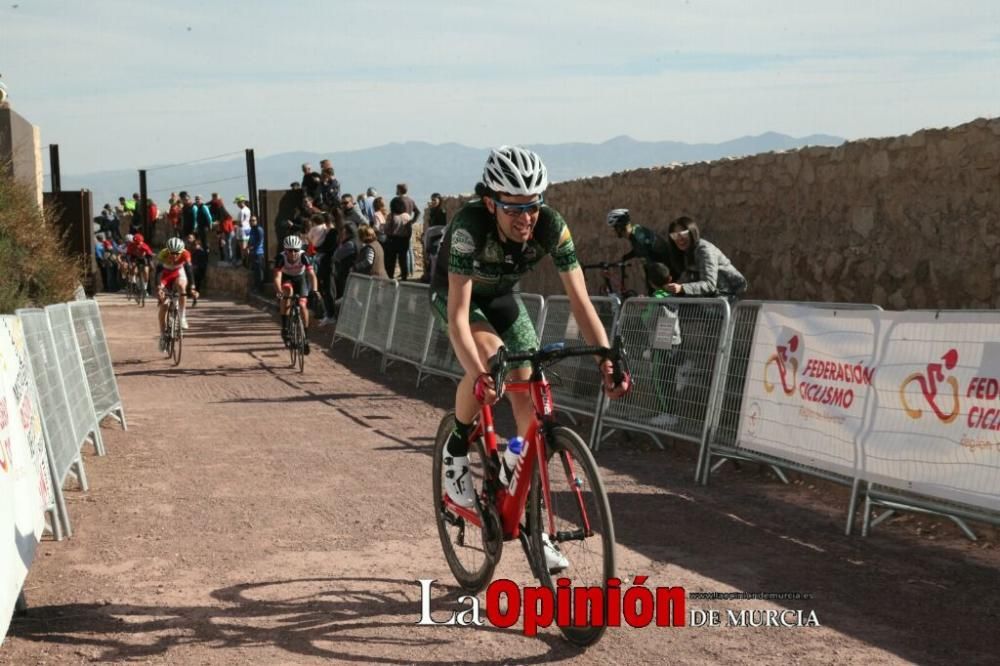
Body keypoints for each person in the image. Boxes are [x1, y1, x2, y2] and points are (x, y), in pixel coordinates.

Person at [430, 145, 630, 514]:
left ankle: (523, 491)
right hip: (459, 297)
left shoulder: (552, 226)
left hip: (503, 297)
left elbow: (581, 302)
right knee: (493, 360)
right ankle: (455, 449)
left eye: (532, 206)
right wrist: (479, 375)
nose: (526, 219)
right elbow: (459, 316)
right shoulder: (468, 227)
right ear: (491, 204)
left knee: (529, 401)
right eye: (513, 208)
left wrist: (606, 359)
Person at [664, 216, 747, 303]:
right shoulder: (686, 254)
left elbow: (709, 284)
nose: (680, 239)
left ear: (692, 232)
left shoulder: (704, 250)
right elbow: (684, 281)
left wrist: (682, 288)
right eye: (675, 235)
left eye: (684, 233)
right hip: (707, 305)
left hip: (723, 303)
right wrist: (663, 292)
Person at [606, 208, 674, 294]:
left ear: (620, 227)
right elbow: (640, 250)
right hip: (660, 273)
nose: (614, 231)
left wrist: (652, 284)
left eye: (614, 228)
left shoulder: (638, 237)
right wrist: (625, 257)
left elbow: (649, 256)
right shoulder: (636, 232)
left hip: (662, 277)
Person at [273, 235, 318, 354]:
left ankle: (306, 337)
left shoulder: (304, 256)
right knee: (287, 291)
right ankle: (285, 327)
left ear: (299, 249)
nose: (292, 253)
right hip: (287, 278)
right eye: (289, 250)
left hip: (300, 279)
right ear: (285, 250)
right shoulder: (281, 258)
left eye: (295, 250)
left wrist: (315, 290)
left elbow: (312, 275)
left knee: (303, 306)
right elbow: (277, 277)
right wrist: (279, 292)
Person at [156, 237, 196, 342]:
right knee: (164, 305)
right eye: (171, 253)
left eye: (177, 253)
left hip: (178, 273)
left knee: (182, 287)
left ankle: (182, 317)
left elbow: (189, 270)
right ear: (167, 251)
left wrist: (192, 286)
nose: (174, 256)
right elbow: (158, 273)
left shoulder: (185, 254)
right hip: (165, 276)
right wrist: (159, 287)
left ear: (181, 251)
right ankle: (162, 334)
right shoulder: (162, 254)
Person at [247, 215, 266, 290]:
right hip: (253, 252)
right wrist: (248, 246)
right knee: (255, 270)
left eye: (253, 220)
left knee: (259, 270)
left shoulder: (259, 229)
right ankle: (256, 286)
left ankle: (260, 287)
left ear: (256, 221)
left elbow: (260, 240)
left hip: (259, 252)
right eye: (251, 220)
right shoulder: (252, 229)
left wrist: (253, 247)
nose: (252, 222)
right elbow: (250, 239)